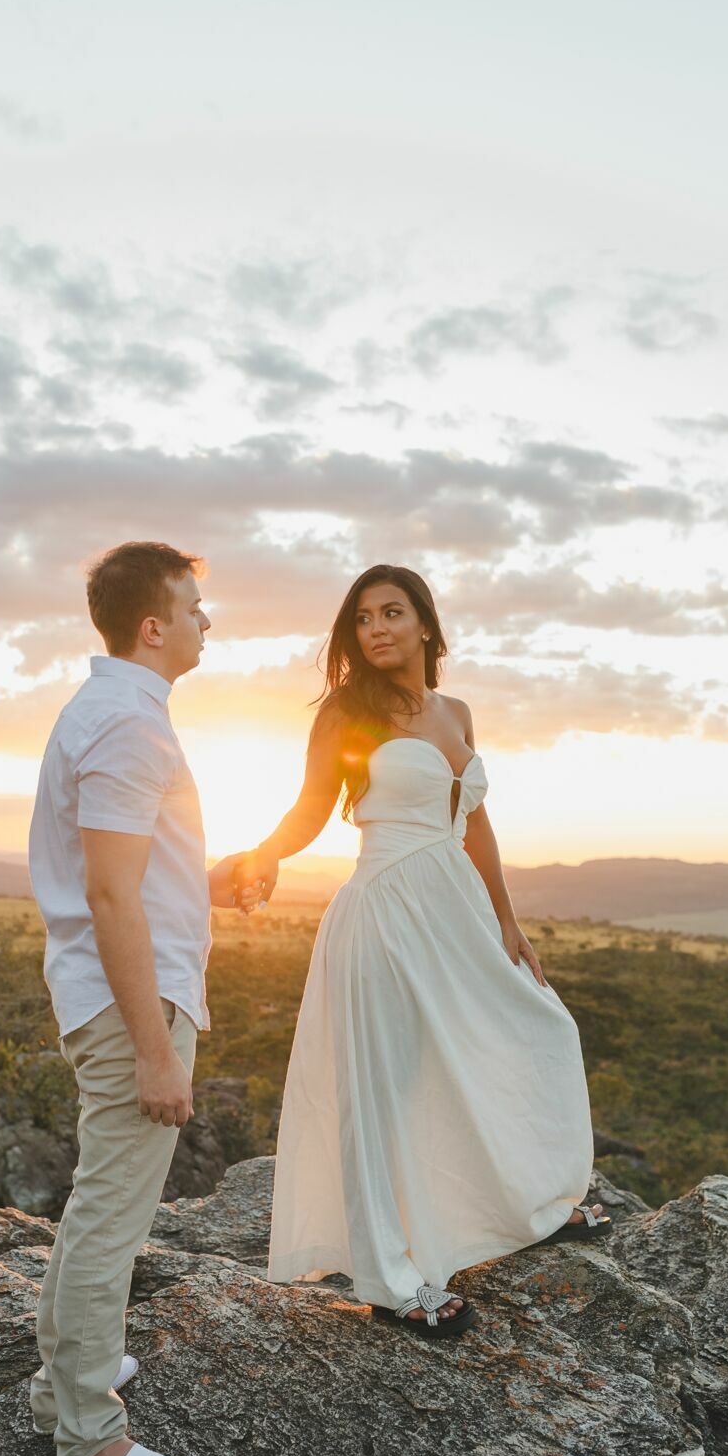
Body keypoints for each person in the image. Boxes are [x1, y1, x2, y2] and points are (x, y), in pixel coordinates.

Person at [243, 564, 611, 1338]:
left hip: (458, 910)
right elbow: (312, 807)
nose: (376, 628)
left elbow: (474, 820)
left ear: (424, 625)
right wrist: (263, 855)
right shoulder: (348, 711)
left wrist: (508, 921)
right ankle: (390, 1278)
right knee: (382, 1088)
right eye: (363, 619)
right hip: (385, 908)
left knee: (530, 1031)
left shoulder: (456, 711)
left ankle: (528, 1200)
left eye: (392, 612)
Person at [27, 540, 262, 1456]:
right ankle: (89, 1438)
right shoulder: (128, 723)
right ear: (153, 626)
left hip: (125, 991)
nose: (210, 622)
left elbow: (134, 882)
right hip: (135, 1005)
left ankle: (62, 1386)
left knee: (103, 1209)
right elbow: (111, 901)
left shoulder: (114, 711)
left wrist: (206, 884)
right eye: (197, 608)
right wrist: (158, 1053)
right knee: (112, 1216)